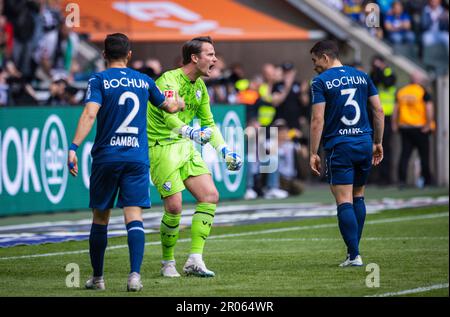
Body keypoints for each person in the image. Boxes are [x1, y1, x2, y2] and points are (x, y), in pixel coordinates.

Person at [66, 33, 184, 291]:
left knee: (100, 218)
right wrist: (180, 103)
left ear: (104, 55)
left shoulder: (98, 80)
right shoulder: (144, 81)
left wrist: (74, 146)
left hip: (107, 157)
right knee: (134, 217)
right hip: (135, 158)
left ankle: (98, 279)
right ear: (129, 55)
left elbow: (89, 113)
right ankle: (134, 276)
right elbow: (168, 107)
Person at [147, 36, 242, 278]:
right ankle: (168, 262)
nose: (215, 59)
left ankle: (195, 260)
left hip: (185, 146)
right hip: (162, 146)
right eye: (210, 54)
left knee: (210, 195)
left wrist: (225, 152)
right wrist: (189, 131)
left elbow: (209, 124)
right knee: (175, 207)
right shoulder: (169, 80)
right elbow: (168, 116)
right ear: (194, 58)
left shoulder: (199, 87)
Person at [309, 40, 384, 267]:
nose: (314, 66)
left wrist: (314, 152)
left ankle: (354, 255)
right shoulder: (362, 76)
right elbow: (379, 110)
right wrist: (377, 142)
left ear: (325, 57)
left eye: (314, 61)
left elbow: (317, 119)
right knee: (358, 195)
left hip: (340, 146)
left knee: (344, 200)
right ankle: (354, 251)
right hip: (363, 143)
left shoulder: (320, 82)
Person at [392, 72, 435, 188]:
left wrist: (394, 124)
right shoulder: (422, 91)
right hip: (420, 128)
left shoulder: (402, 91)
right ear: (419, 80)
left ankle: (402, 180)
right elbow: (429, 108)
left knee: (405, 155)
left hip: (405, 128)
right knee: (424, 155)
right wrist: (428, 124)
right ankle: (428, 181)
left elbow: (395, 109)